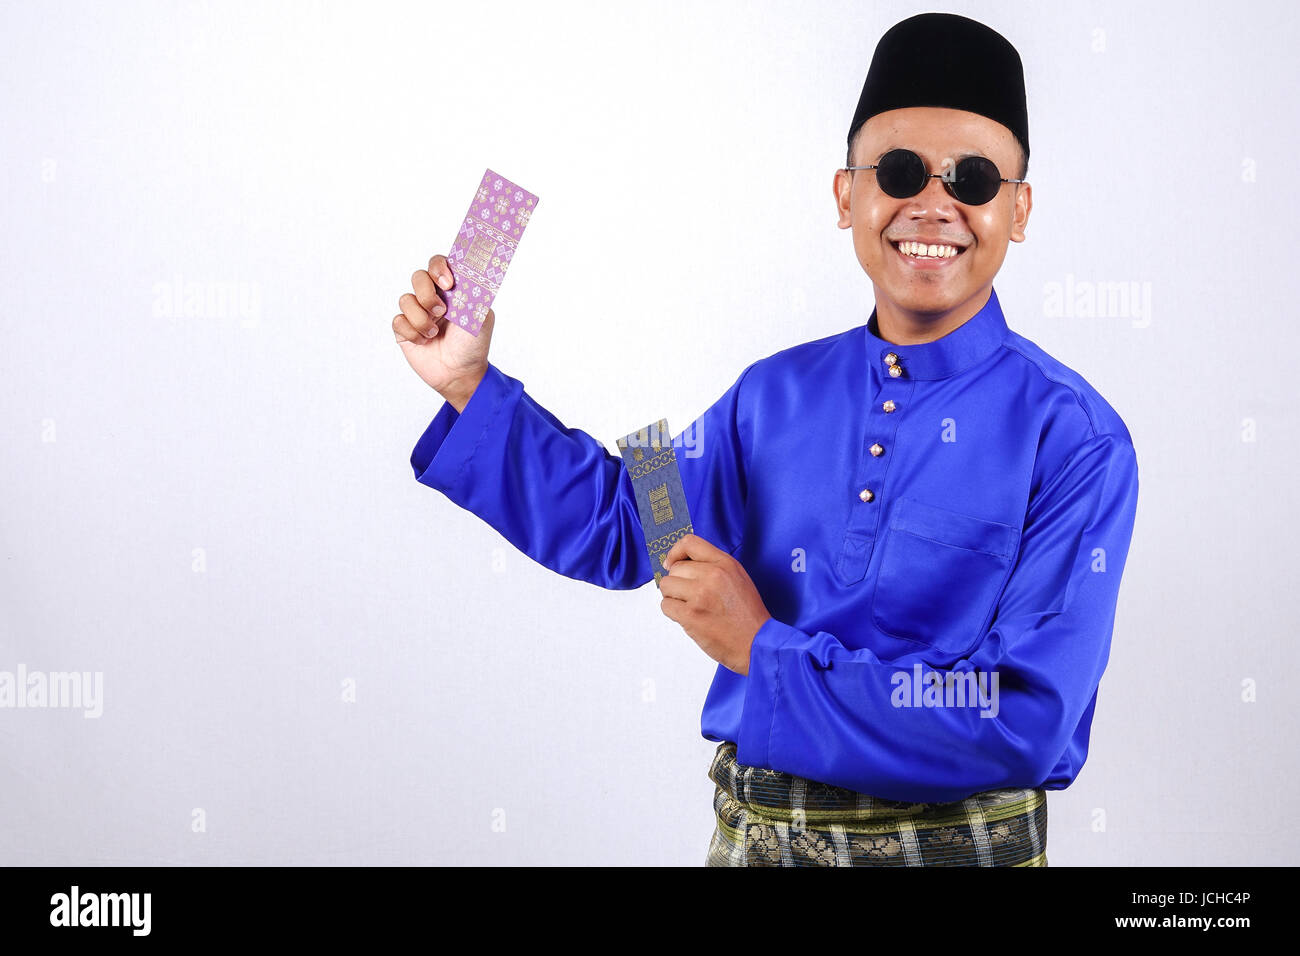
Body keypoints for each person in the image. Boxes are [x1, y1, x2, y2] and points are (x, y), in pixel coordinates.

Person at [391, 12, 1139, 867]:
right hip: (753, 841)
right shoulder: (769, 396)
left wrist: (763, 651)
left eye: (972, 179)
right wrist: (469, 385)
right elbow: (625, 519)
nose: (933, 203)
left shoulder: (1076, 440)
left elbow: (1021, 718)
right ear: (845, 195)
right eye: (898, 170)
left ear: (1019, 209)